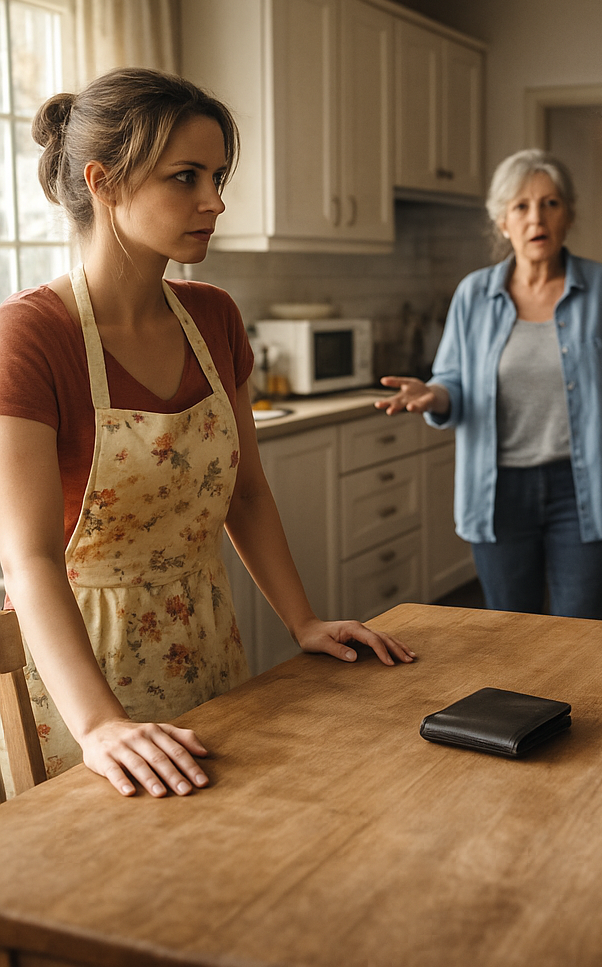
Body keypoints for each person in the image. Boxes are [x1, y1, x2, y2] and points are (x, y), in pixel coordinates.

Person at [0, 68, 414, 797]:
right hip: (80, 678)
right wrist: (100, 726)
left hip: (208, 641)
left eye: (217, 174)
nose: (214, 201)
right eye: (185, 177)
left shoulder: (215, 318)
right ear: (103, 182)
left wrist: (304, 621)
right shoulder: (30, 335)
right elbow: (27, 556)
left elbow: (245, 495)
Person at [375, 149, 602, 619]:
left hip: (585, 486)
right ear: (502, 222)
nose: (535, 217)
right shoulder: (473, 295)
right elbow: (452, 383)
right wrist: (432, 394)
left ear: (569, 215)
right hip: (498, 489)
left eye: (550, 203)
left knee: (582, 629)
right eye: (520, 206)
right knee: (509, 630)